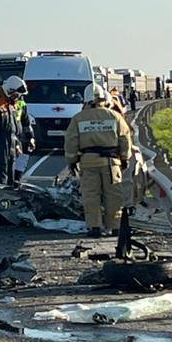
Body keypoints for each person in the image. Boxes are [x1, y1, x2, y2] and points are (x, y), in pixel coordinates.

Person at [64, 82, 134, 244]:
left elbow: (71, 143)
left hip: (88, 163)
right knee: (114, 195)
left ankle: (94, 227)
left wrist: (72, 161)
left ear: (86, 100)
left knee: (91, 195)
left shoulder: (78, 119)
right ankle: (115, 226)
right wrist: (124, 158)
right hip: (112, 163)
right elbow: (125, 139)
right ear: (103, 98)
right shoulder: (114, 116)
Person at [0, 76, 33, 194]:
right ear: (9, 91)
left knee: (11, 179)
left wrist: (19, 144)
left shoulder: (12, 106)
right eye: (16, 95)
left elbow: (15, 129)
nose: (18, 98)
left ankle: (9, 204)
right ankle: (0, 207)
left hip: (11, 148)